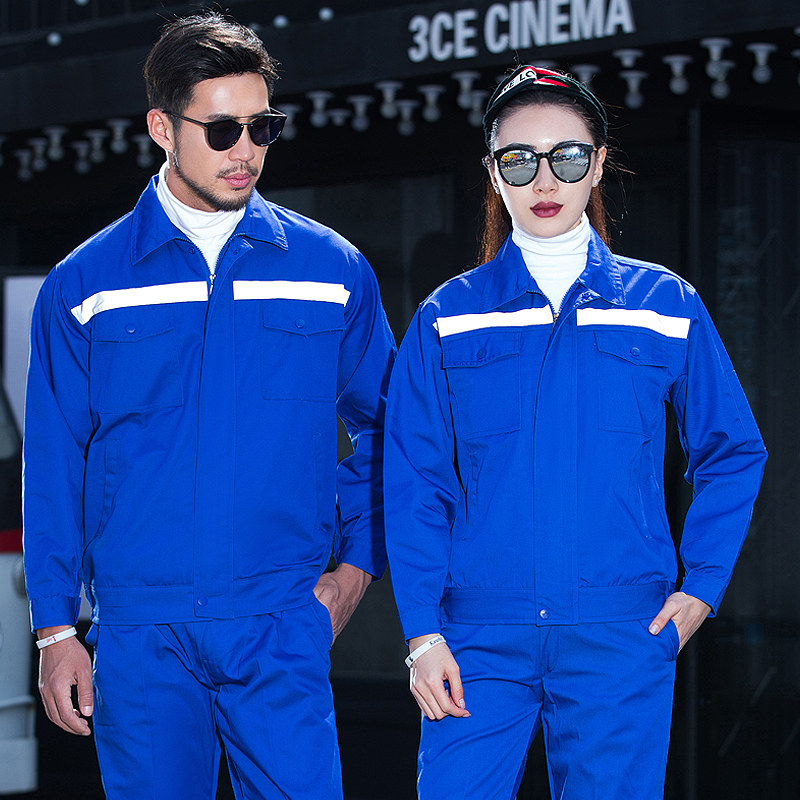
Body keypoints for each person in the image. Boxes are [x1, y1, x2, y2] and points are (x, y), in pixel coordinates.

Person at [23, 12, 395, 800]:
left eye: (263, 127)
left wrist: (355, 571)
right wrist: (56, 628)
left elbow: (393, 431)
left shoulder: (331, 271)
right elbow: (55, 462)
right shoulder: (84, 286)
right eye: (222, 130)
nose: (246, 151)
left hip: (280, 622)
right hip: (141, 633)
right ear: (162, 128)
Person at [384, 65, 767, 799]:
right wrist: (422, 634)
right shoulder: (447, 317)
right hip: (476, 639)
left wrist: (703, 586)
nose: (544, 180)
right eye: (519, 160)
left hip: (620, 635)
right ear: (493, 174)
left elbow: (733, 450)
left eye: (566, 156)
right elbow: (414, 483)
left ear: (597, 164)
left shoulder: (663, 305)